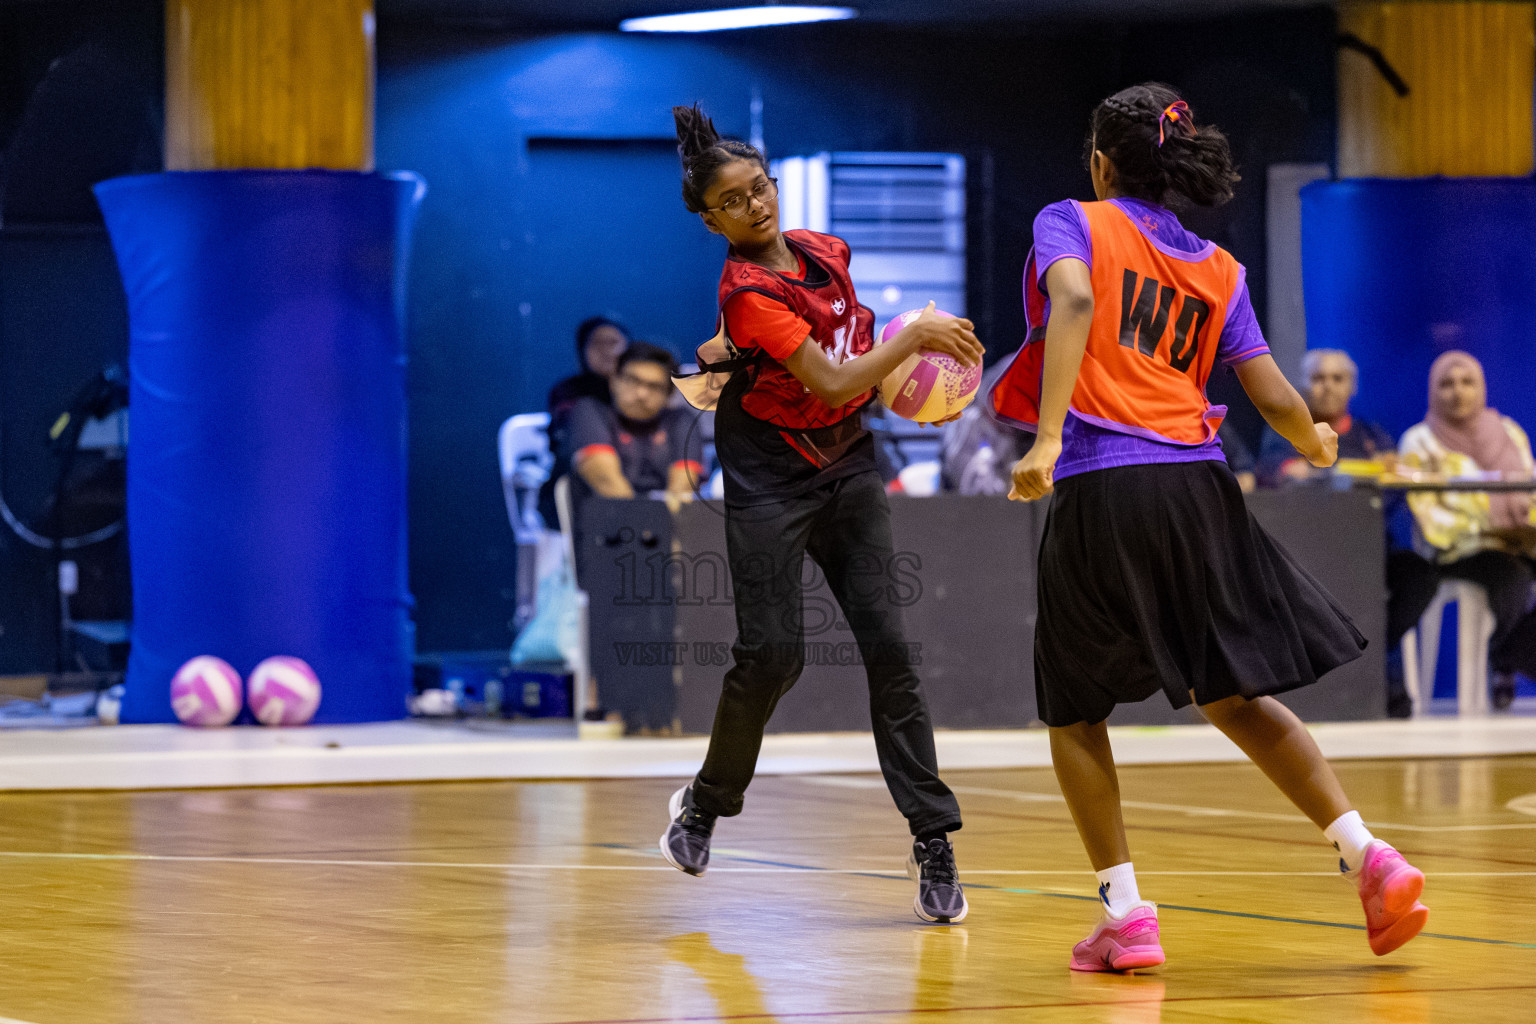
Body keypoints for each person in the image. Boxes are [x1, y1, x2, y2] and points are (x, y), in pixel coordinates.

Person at [993, 83, 1429, 971]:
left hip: (1107, 483)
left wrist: (1044, 437)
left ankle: (1125, 915)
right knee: (1235, 695)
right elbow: (1271, 395)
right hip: (1199, 486)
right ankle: (1368, 855)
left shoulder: (1070, 220)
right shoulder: (1220, 269)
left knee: (1074, 712)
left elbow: (1071, 303)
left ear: (1103, 163)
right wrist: (1316, 437)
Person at [659, 103, 983, 923]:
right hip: (769, 478)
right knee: (772, 658)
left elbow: (852, 363)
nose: (755, 205)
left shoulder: (827, 253)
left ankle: (934, 841)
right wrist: (917, 342)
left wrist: (921, 377)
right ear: (708, 221)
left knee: (892, 654)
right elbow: (834, 380)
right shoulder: (746, 293)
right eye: (732, 201)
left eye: (759, 187)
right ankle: (703, 803)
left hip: (849, 467)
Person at [1398, 350, 1536, 710]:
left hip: (1518, 542)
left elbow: (1529, 486)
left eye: (1467, 382)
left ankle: (1507, 653)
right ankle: (1503, 654)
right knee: (1514, 578)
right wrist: (1487, 530)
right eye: (1446, 384)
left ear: (1481, 387)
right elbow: (1427, 513)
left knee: (1520, 569)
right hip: (1457, 551)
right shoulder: (1419, 441)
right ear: (1432, 391)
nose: (1458, 392)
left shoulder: (1508, 433)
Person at [563, 342, 703, 504]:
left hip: (666, 522)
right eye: (633, 380)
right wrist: (639, 521)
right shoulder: (590, 411)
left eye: (655, 386)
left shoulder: (681, 420)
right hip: (604, 521)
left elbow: (683, 487)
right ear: (614, 380)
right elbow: (605, 480)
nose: (642, 393)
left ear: (669, 394)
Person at [1257, 349, 1394, 486]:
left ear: (1352, 386)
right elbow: (1264, 471)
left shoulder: (1372, 437)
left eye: (1337, 378)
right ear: (1303, 386)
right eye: (1318, 378)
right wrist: (1285, 470)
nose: (1328, 386)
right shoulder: (1284, 433)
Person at [547, 317, 630, 421]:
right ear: (582, 351)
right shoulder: (567, 392)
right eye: (597, 343)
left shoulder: (642, 388)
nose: (605, 350)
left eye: (612, 342)